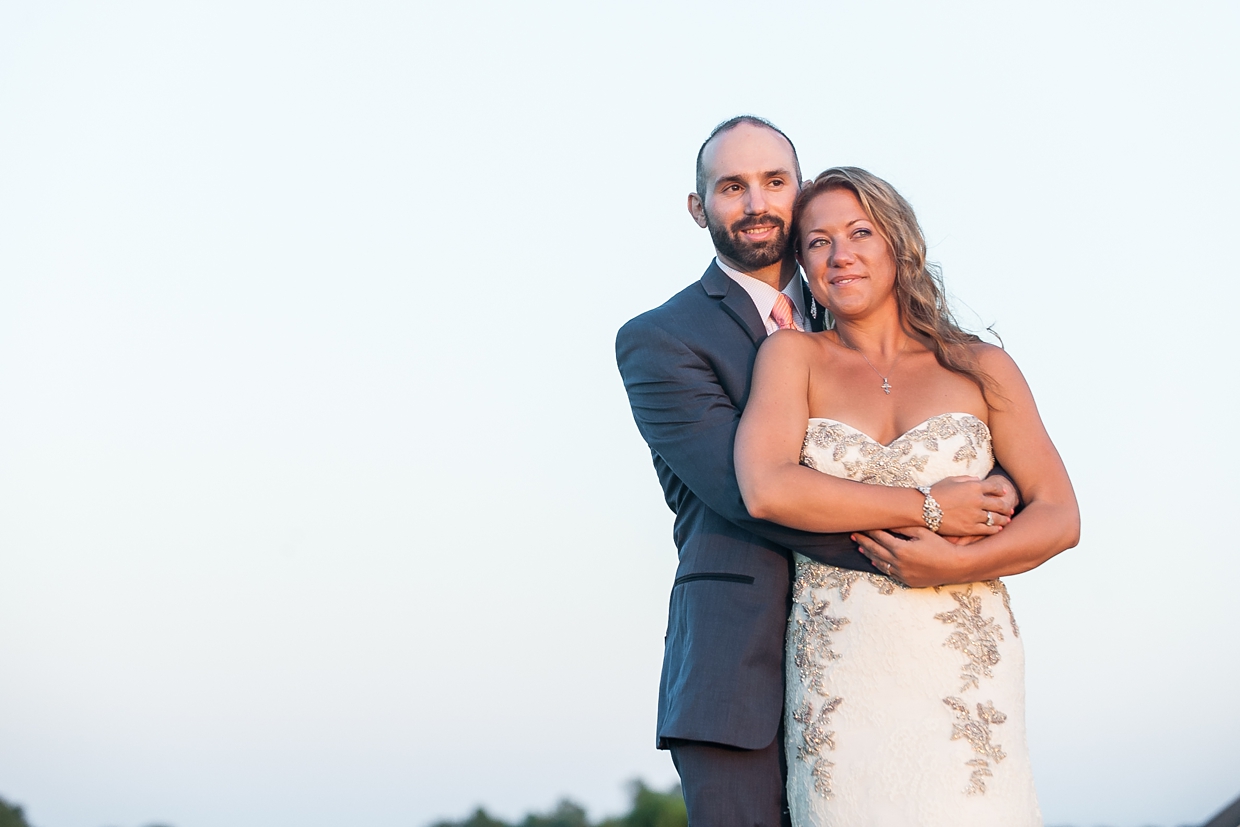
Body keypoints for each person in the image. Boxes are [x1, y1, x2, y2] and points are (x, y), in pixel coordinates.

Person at [615, 117, 1018, 826]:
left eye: (774, 181)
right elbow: (750, 496)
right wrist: (942, 529)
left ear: (799, 194)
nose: (756, 202)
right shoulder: (662, 339)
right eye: (732, 186)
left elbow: (945, 443)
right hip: (738, 666)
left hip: (893, 666)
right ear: (697, 206)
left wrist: (997, 490)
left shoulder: (855, 307)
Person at [734, 167, 1080, 825]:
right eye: (817, 241)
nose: (842, 255)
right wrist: (929, 505)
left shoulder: (980, 366)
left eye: (860, 232)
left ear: (897, 242)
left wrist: (957, 563)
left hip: (963, 667)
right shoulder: (792, 359)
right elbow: (766, 486)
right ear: (802, 263)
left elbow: (1060, 515)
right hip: (843, 674)